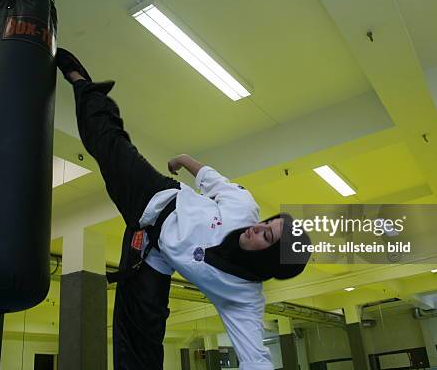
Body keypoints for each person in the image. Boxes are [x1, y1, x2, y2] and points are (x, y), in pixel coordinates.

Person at [56, 48, 311, 370]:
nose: (258, 228)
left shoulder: (243, 297)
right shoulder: (243, 208)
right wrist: (184, 159)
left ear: (269, 259)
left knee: (141, 333)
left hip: (155, 256)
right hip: (158, 198)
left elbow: (255, 358)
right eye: (268, 224)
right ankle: (83, 83)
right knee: (107, 144)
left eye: (268, 238)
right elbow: (214, 181)